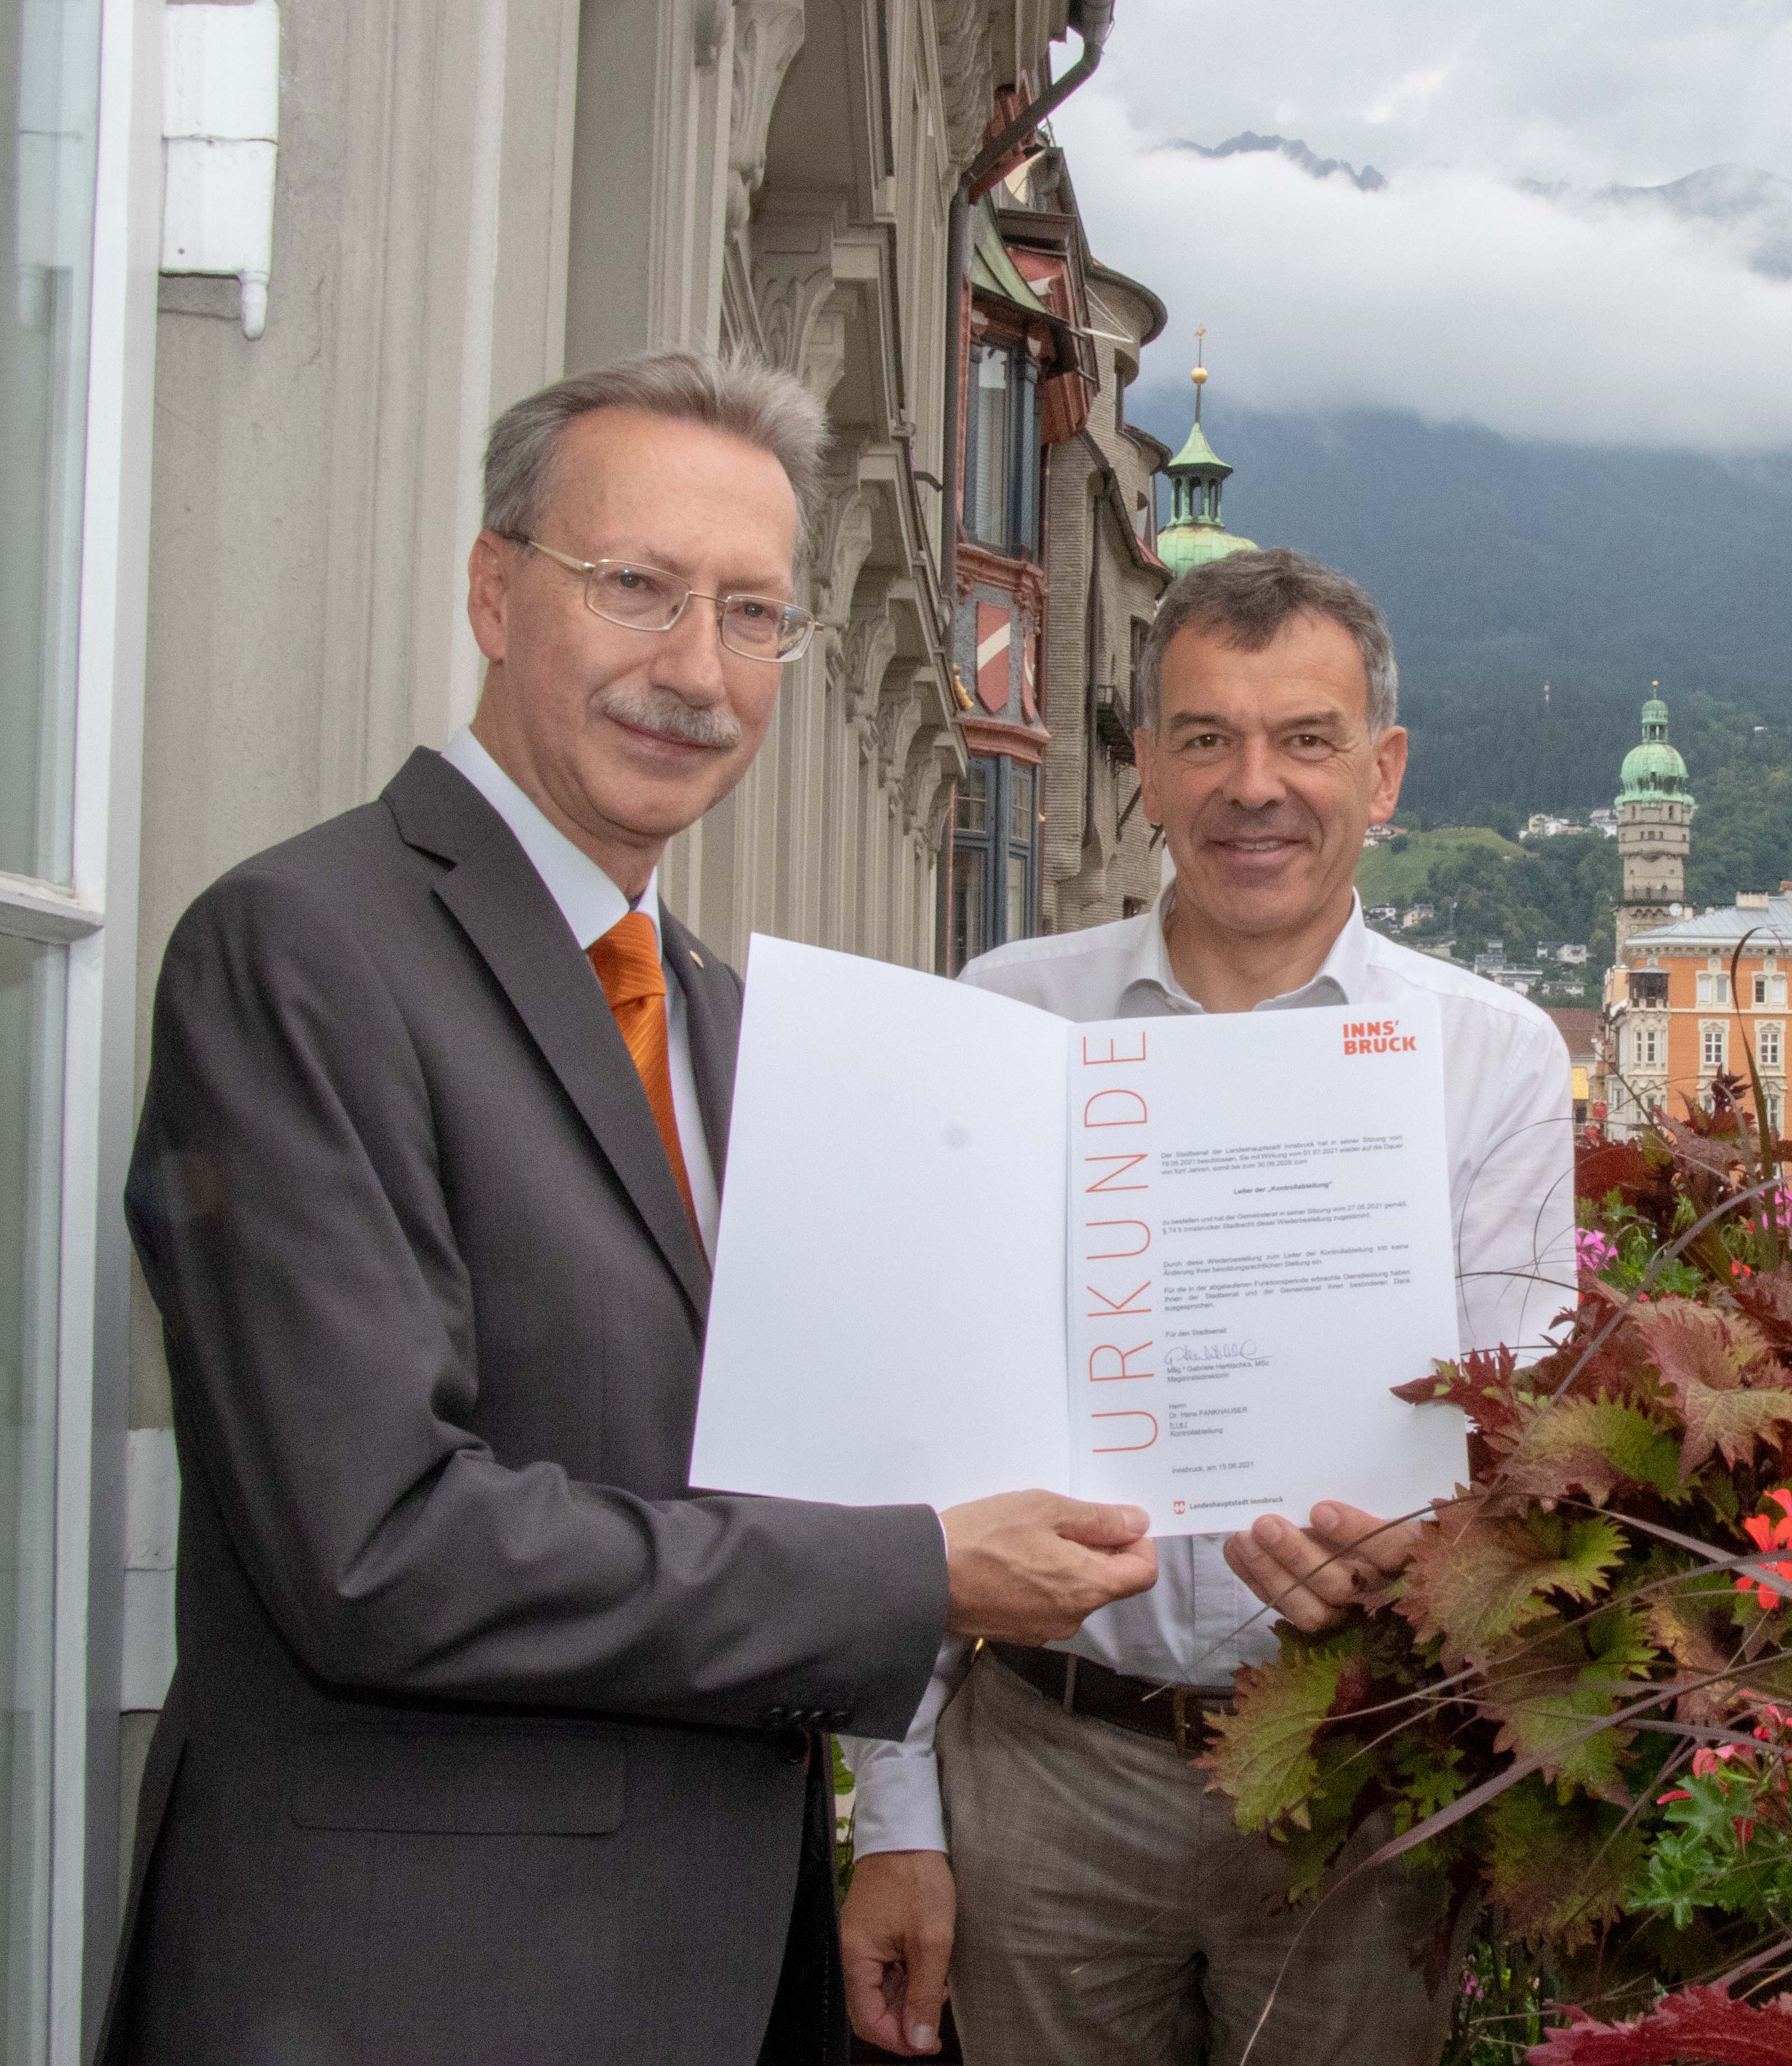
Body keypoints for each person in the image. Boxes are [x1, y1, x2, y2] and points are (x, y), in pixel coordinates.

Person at [110, 352, 1159, 2066]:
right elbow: (377, 1549)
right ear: (493, 588)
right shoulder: (304, 949)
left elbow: (759, 1470)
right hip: (405, 1991)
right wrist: (919, 1566)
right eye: (639, 589)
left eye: (754, 615)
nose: (697, 669)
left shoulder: (724, 1018)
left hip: (709, 1972)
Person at [838, 549, 1576, 2064]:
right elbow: (908, 1445)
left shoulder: (1486, 1055)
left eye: (1305, 740)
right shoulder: (1006, 1016)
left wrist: (1425, 1556)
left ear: (1383, 772)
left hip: (1349, 1769)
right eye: (1204, 739)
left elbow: (1521, 1432)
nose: (1257, 785)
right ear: (1143, 774)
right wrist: (894, 1817)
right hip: (1046, 1765)